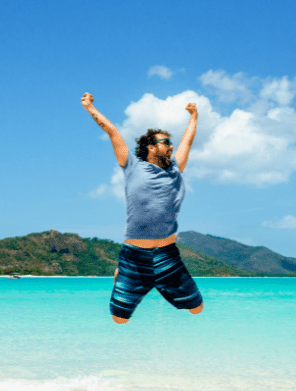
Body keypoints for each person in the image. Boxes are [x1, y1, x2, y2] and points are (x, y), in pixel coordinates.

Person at [81, 92, 204, 324]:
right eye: (165, 142)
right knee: (120, 319)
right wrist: (89, 107)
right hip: (135, 256)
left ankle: (159, 284)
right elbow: (112, 131)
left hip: (167, 255)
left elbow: (187, 141)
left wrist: (194, 117)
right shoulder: (132, 165)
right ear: (149, 147)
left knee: (196, 308)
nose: (170, 146)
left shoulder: (176, 169)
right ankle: (121, 276)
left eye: (170, 143)